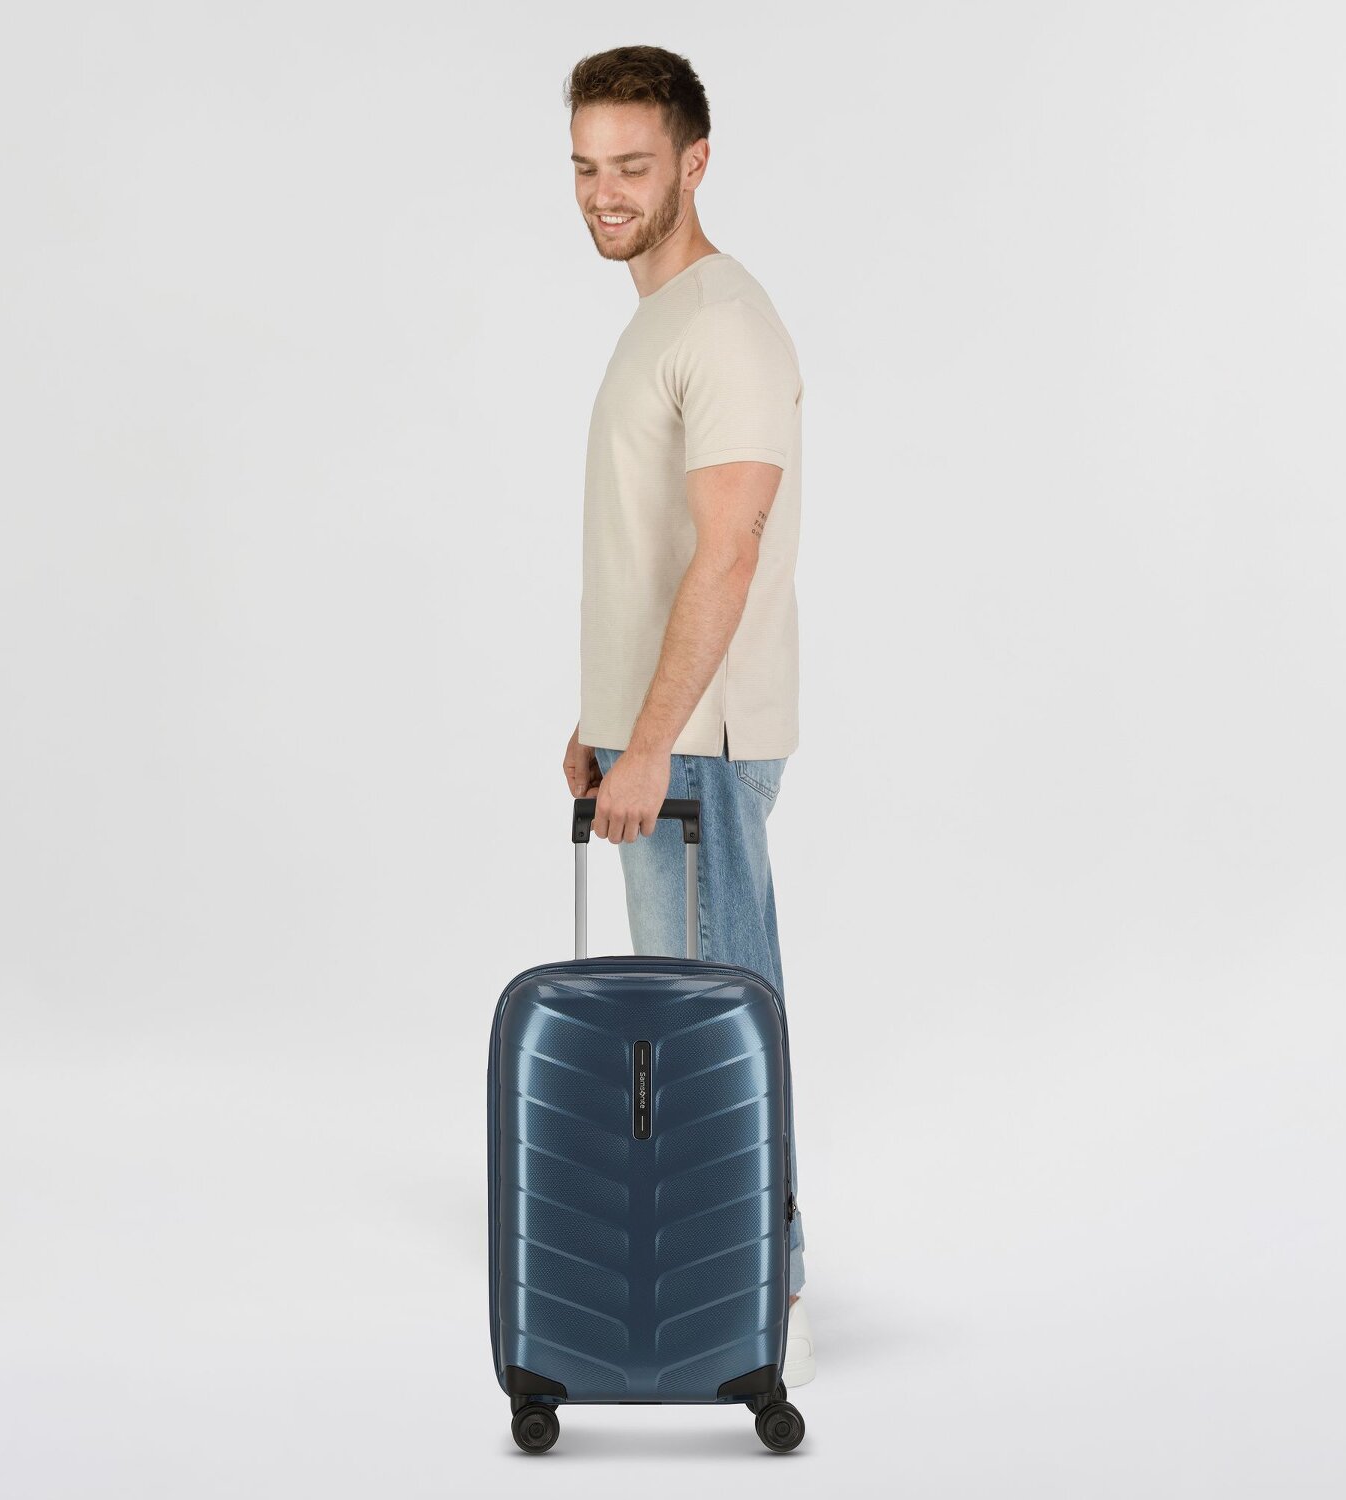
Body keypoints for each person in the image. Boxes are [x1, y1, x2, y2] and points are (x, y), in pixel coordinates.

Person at [558, 45, 815, 1386]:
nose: (604, 192)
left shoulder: (723, 321)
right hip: (656, 743)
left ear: (695, 162)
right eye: (586, 167)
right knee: (685, 1028)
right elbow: (653, 548)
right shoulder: (659, 318)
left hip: (697, 754)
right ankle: (735, 1292)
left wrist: (652, 742)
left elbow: (730, 550)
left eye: (633, 165)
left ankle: (769, 1309)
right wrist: (603, 721)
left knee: (718, 1032)